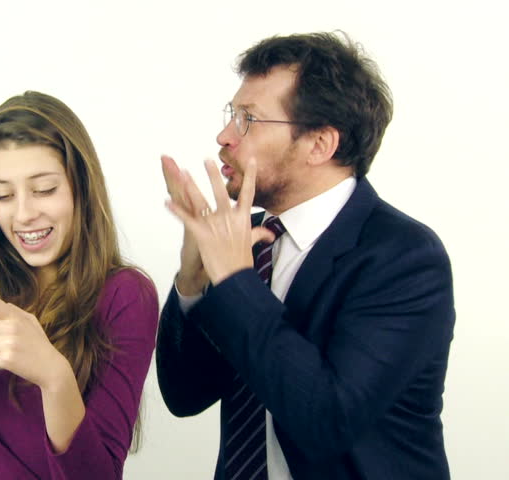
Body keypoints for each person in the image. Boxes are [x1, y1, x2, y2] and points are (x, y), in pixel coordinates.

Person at [156, 32, 454, 479]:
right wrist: (194, 281)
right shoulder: (248, 238)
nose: (224, 136)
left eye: (248, 120)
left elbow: (327, 419)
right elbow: (185, 396)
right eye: (231, 115)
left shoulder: (405, 259)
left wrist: (235, 281)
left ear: (319, 145)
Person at [0, 90, 158, 479]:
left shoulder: (124, 295)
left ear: (80, 187)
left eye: (44, 190)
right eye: (3, 194)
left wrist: (53, 376)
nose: (23, 214)